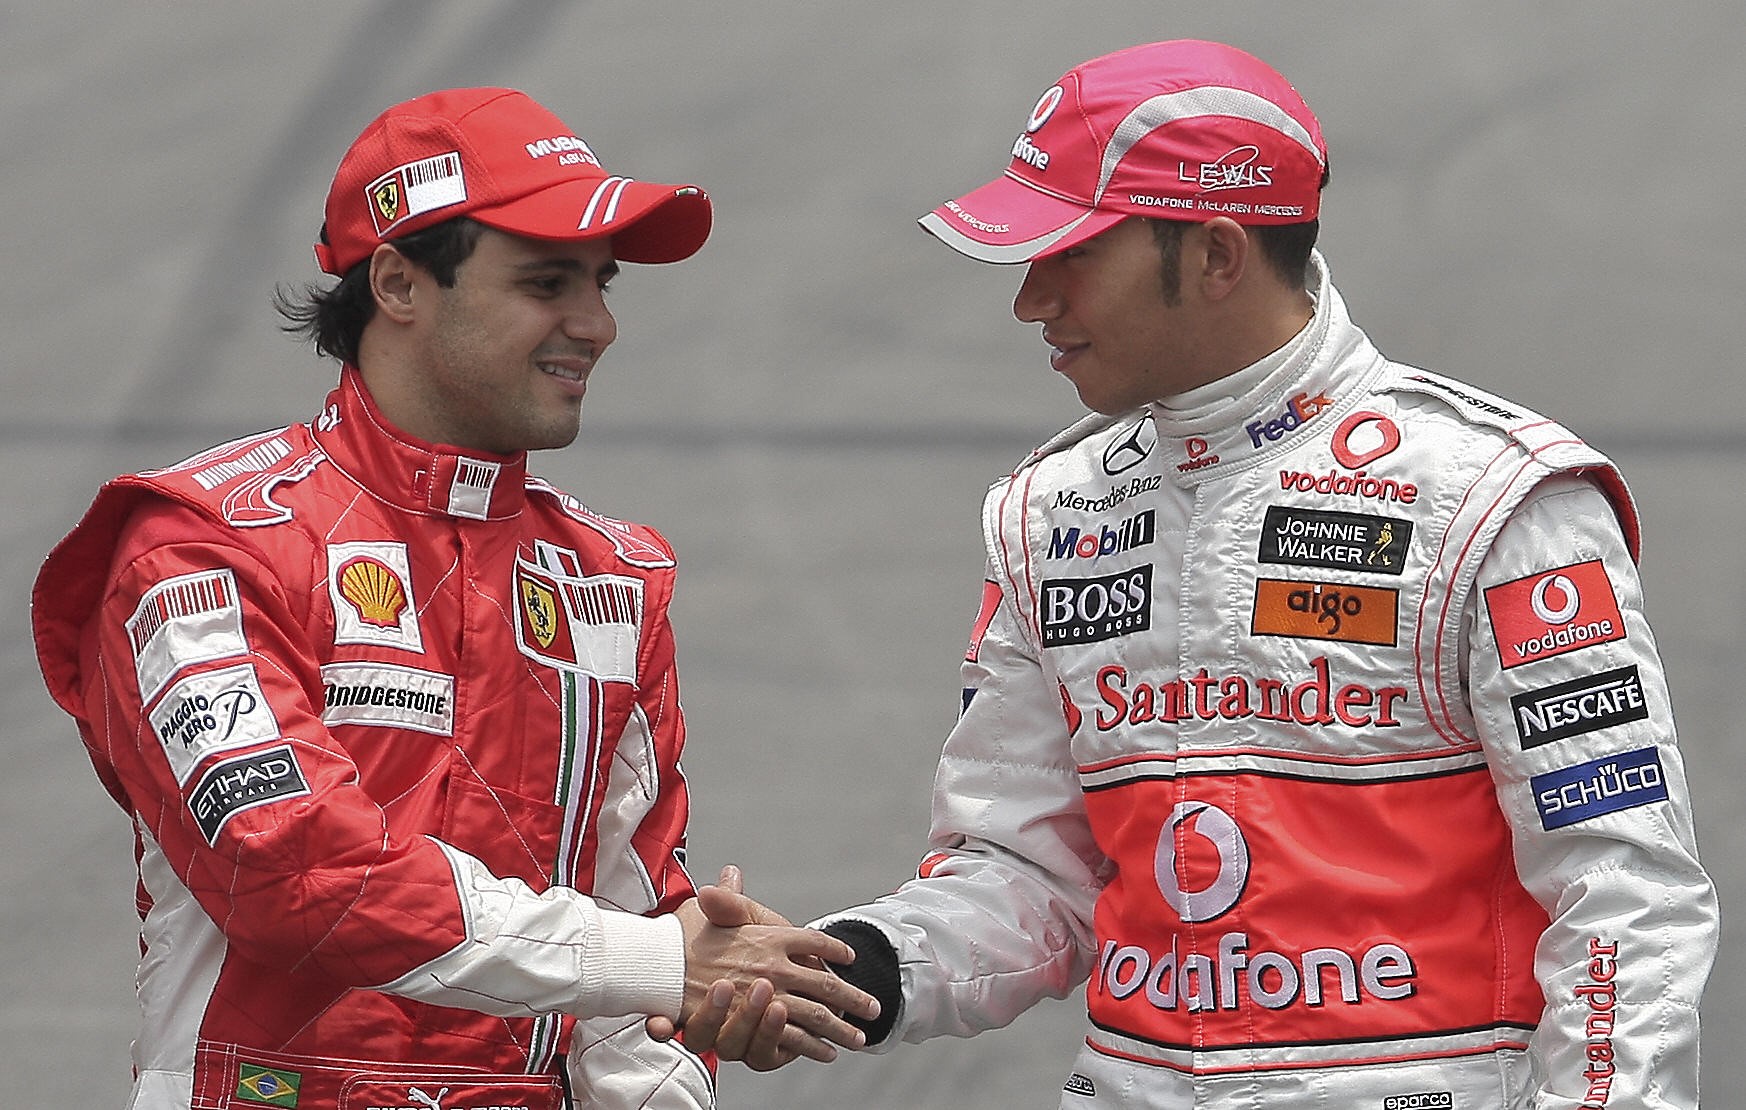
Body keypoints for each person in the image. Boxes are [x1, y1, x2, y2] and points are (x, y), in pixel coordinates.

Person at [683, 39, 1719, 1108]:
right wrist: (836, 970)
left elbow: (1622, 895)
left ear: (1218, 256)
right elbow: (1031, 874)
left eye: (1071, 255)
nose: (1031, 301)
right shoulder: (1054, 511)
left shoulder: (1491, 499)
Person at [30, 86, 875, 1110]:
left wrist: (687, 986)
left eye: (601, 284)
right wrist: (661, 962)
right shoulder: (202, 544)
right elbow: (295, 872)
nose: (596, 324)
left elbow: (636, 978)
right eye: (547, 282)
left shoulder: (612, 580)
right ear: (397, 282)